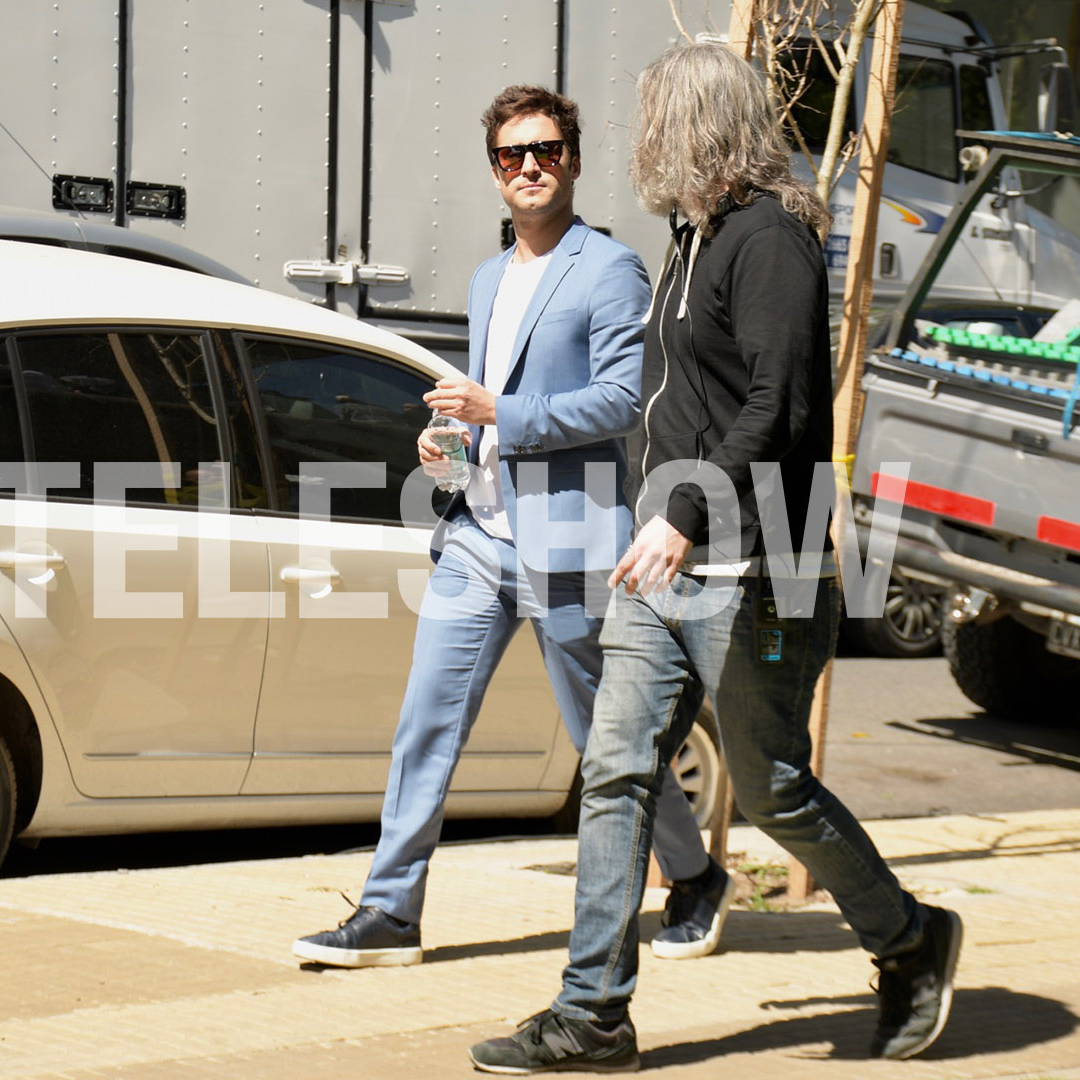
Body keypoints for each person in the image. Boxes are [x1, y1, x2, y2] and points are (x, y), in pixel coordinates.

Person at [469, 44, 963, 1074]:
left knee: (774, 785)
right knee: (614, 772)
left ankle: (912, 939)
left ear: (695, 126)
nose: (642, 137)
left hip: (761, 564)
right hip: (665, 558)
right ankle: (593, 1010)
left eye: (655, 116)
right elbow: (669, 404)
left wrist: (686, 510)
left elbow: (778, 406)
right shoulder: (692, 235)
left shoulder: (771, 239)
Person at [293, 85, 734, 969]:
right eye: (510, 156)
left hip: (570, 542)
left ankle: (693, 876)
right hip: (477, 538)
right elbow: (482, 398)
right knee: (425, 723)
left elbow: (621, 400)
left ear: (572, 160)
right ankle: (390, 912)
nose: (527, 168)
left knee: (605, 736)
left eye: (544, 152)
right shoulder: (490, 277)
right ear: (494, 171)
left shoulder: (609, 269)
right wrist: (449, 446)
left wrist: (502, 409)